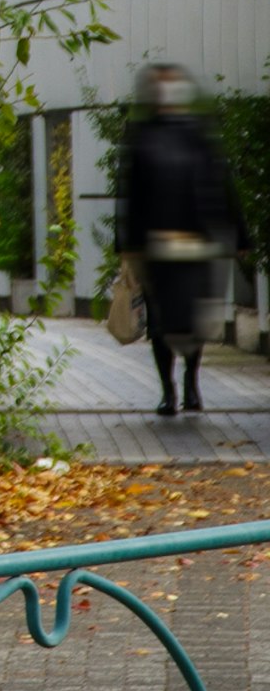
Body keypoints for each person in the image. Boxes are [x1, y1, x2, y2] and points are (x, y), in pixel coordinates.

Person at [115, 65, 238, 423]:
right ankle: (168, 389)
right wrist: (128, 243)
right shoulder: (142, 137)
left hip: (196, 241)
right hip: (157, 245)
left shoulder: (198, 134)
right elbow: (131, 191)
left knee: (191, 318)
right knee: (159, 322)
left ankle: (191, 382)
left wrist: (236, 232)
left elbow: (220, 181)